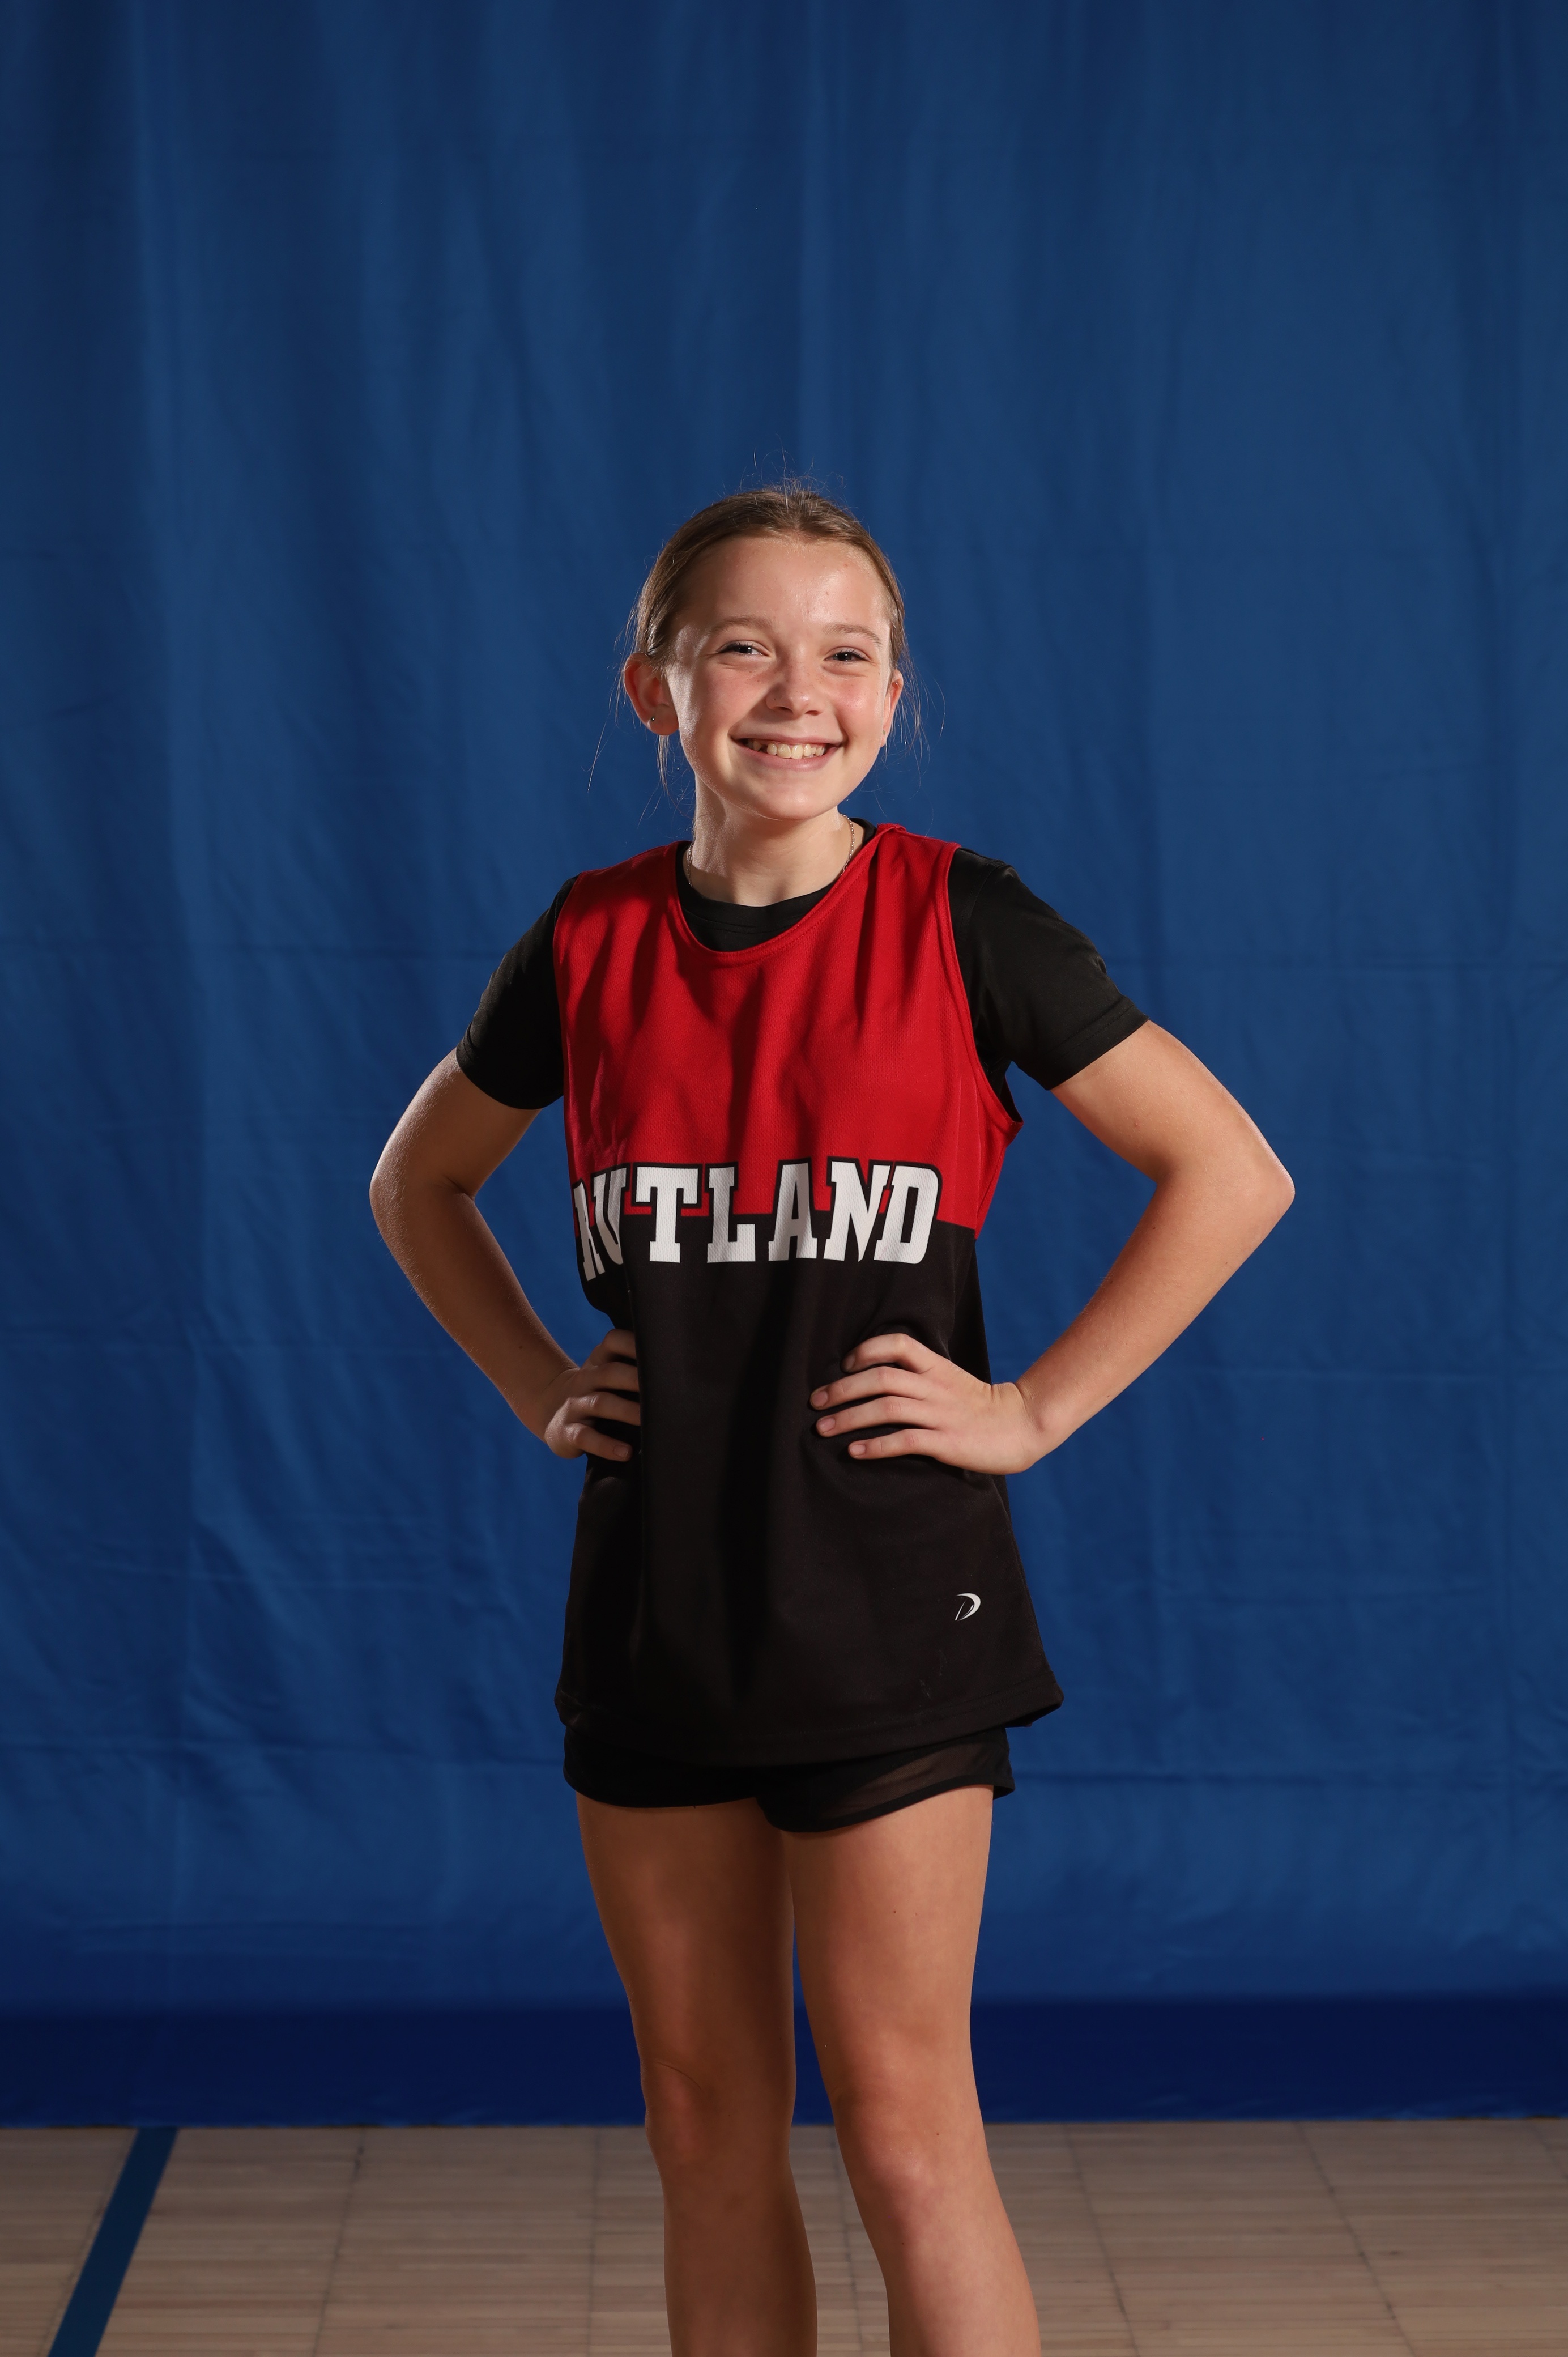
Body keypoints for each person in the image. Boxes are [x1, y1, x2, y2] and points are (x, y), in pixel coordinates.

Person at [370, 483, 1293, 2357]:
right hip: (658, 1601)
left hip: (889, 1601)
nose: (801, 692)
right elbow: (419, 1185)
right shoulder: (587, 944)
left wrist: (1031, 1408)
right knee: (704, 2125)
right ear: (657, 690)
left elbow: (1232, 1172)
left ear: (894, 692)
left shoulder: (964, 920)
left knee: (904, 2134)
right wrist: (543, 1381)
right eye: (745, 648)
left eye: (848, 654)